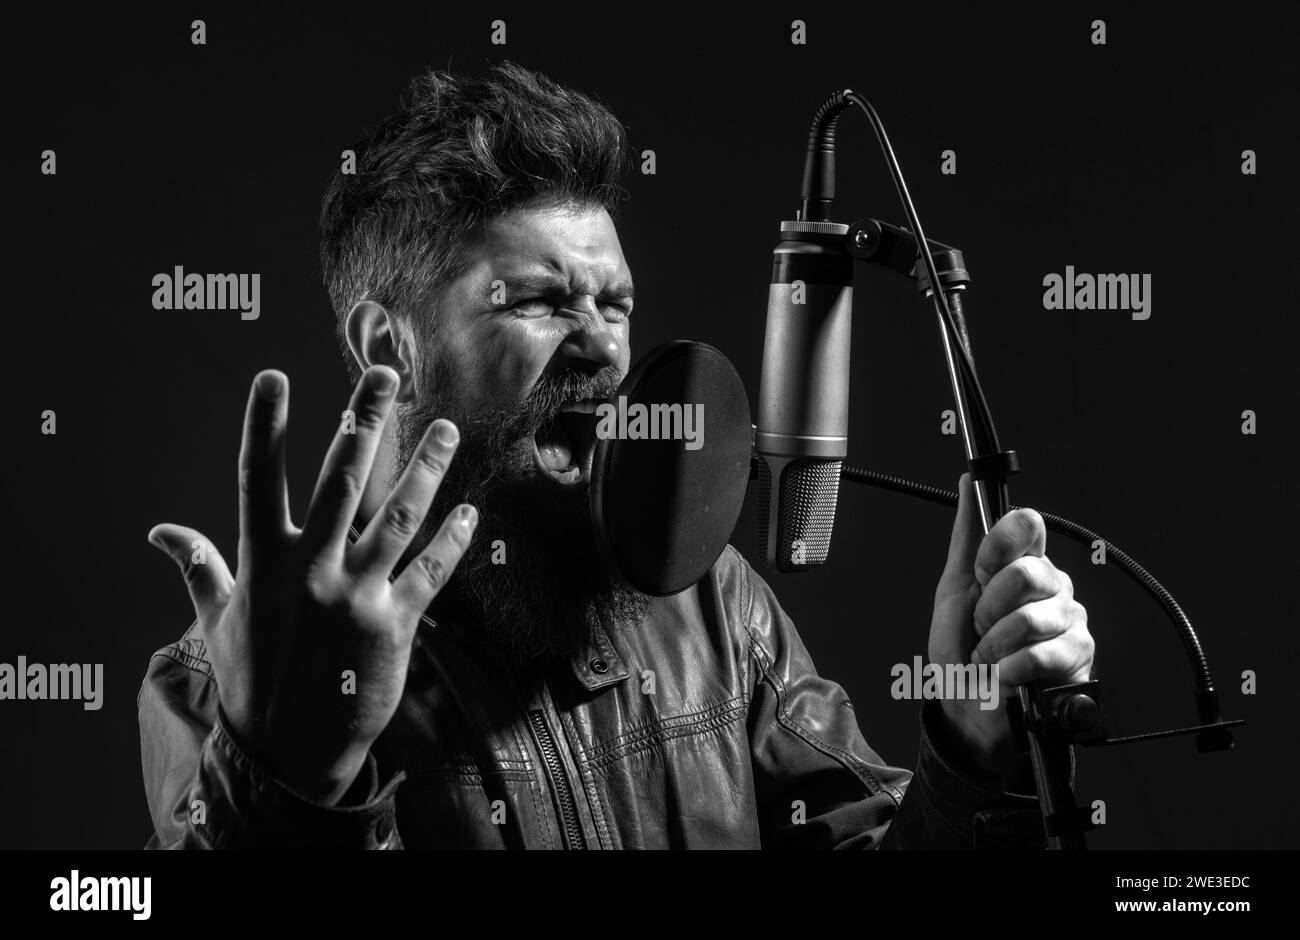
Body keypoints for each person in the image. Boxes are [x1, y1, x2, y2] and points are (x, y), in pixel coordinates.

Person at [137, 62, 1093, 849]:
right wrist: (287, 780)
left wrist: (972, 752)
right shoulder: (233, 679)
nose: (602, 347)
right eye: (540, 301)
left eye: (616, 304)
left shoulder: (715, 607)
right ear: (391, 345)